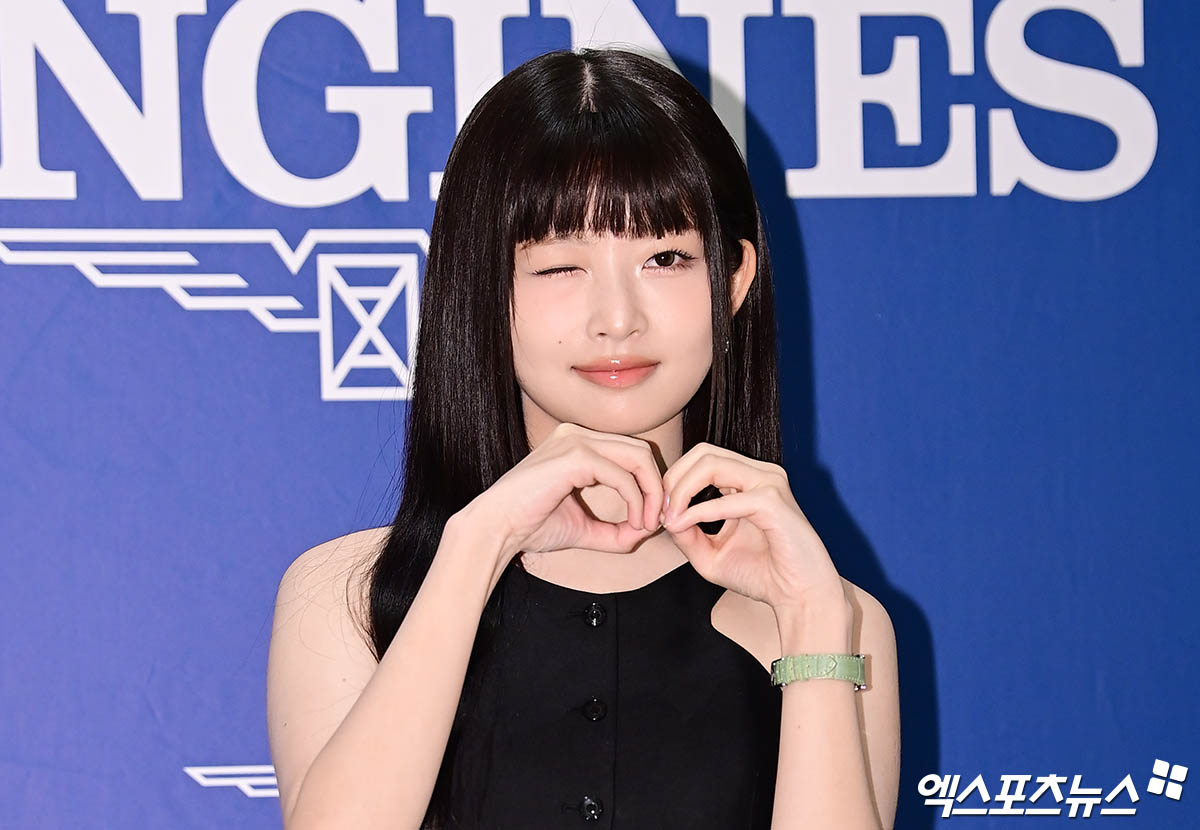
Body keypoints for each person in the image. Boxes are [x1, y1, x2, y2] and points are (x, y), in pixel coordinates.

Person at [266, 47, 900, 830]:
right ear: (480, 288)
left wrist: (812, 621)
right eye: (560, 267)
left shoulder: (834, 616)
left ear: (733, 280)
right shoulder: (350, 594)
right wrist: (478, 544)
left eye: (665, 257)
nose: (617, 319)